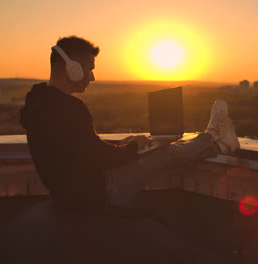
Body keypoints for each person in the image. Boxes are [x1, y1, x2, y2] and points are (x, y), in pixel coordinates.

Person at [17, 36, 239, 262]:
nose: (92, 77)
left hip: (71, 195)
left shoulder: (39, 102)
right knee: (166, 151)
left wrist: (124, 145)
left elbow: (81, 148)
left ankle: (215, 140)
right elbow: (100, 157)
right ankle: (215, 138)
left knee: (156, 147)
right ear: (72, 68)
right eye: (89, 69)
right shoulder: (69, 108)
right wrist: (131, 149)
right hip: (98, 194)